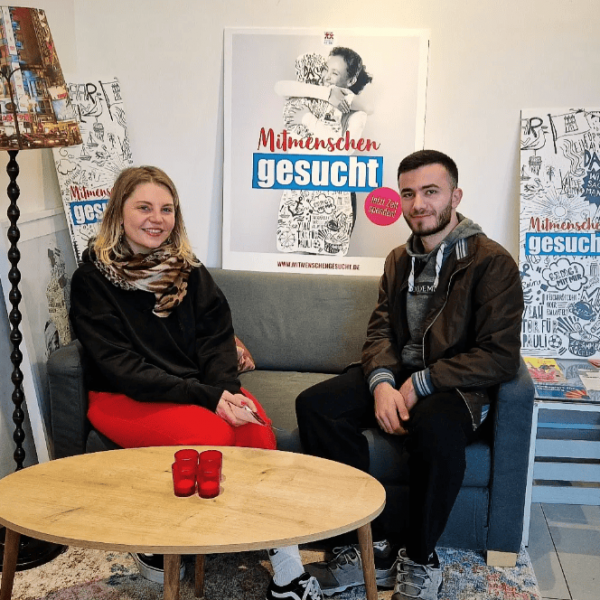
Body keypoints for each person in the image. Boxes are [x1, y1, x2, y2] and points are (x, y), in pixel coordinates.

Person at [70, 166, 323, 600]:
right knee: (215, 435)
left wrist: (227, 392)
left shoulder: (189, 271)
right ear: (119, 212)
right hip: (123, 396)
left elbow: (216, 340)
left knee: (255, 429)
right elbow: (121, 368)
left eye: (167, 209)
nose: (157, 219)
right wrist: (208, 397)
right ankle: (166, 543)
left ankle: (288, 574)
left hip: (192, 390)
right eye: (144, 207)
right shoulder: (92, 279)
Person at [296, 150, 524, 600]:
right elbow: (380, 331)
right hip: (397, 373)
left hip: (457, 386)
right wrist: (381, 383)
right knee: (316, 407)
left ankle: (420, 557)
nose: (418, 204)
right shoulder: (398, 259)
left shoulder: (492, 262)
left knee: (435, 428)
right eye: (408, 193)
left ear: (455, 196)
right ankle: (366, 546)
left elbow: (499, 356)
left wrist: (422, 383)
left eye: (430, 191)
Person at [275, 47, 373, 256]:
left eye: (334, 73)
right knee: (296, 259)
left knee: (328, 259)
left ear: (351, 80)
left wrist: (307, 119)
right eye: (325, 69)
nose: (326, 76)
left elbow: (343, 150)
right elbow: (280, 87)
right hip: (302, 190)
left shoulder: (354, 111)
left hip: (335, 195)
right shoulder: (311, 96)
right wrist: (327, 94)